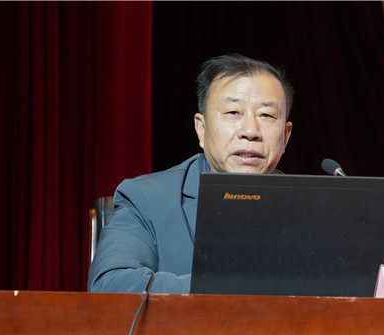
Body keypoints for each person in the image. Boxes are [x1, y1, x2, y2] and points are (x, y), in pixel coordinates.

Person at [88, 54, 294, 293]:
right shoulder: (146, 199)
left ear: (285, 136)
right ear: (201, 129)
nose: (250, 131)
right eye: (233, 112)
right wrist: (230, 288)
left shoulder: (311, 207)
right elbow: (111, 285)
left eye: (266, 115)